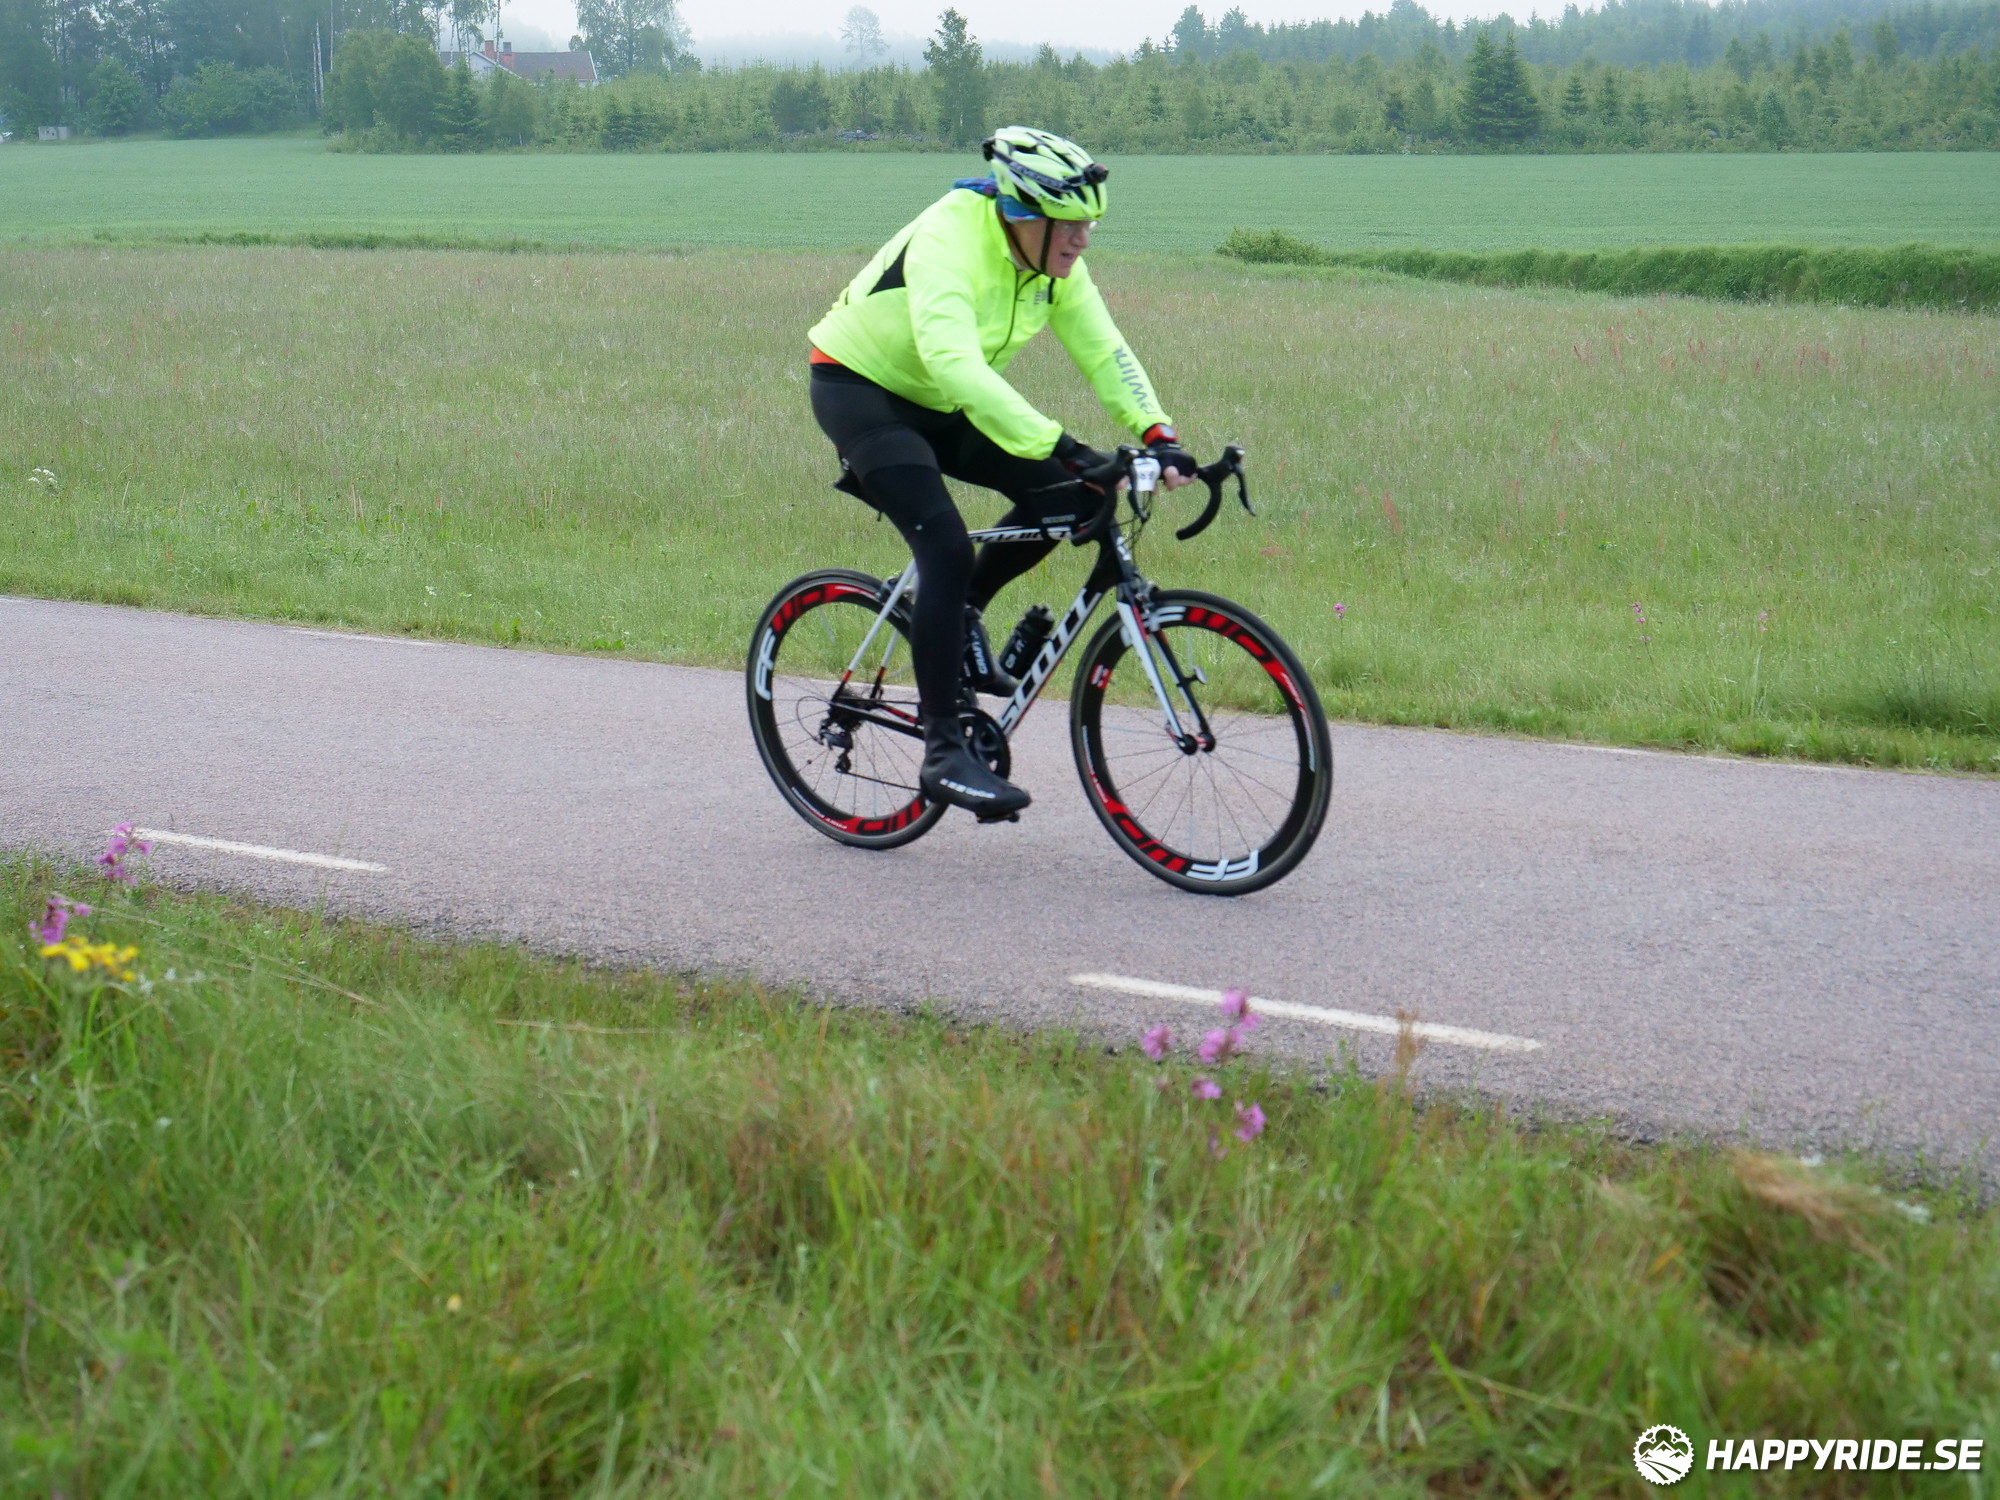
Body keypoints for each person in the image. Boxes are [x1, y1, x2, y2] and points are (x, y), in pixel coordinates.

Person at [807, 126, 1199, 821]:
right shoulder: (949, 237)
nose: (1082, 240)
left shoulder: (1050, 263)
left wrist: (1157, 434)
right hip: (862, 390)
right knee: (945, 546)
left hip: (941, 399)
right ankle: (943, 752)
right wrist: (1066, 444)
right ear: (1024, 215)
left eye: (1090, 225)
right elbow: (955, 362)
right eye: (1070, 225)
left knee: (1070, 498)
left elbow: (1104, 349)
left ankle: (959, 616)